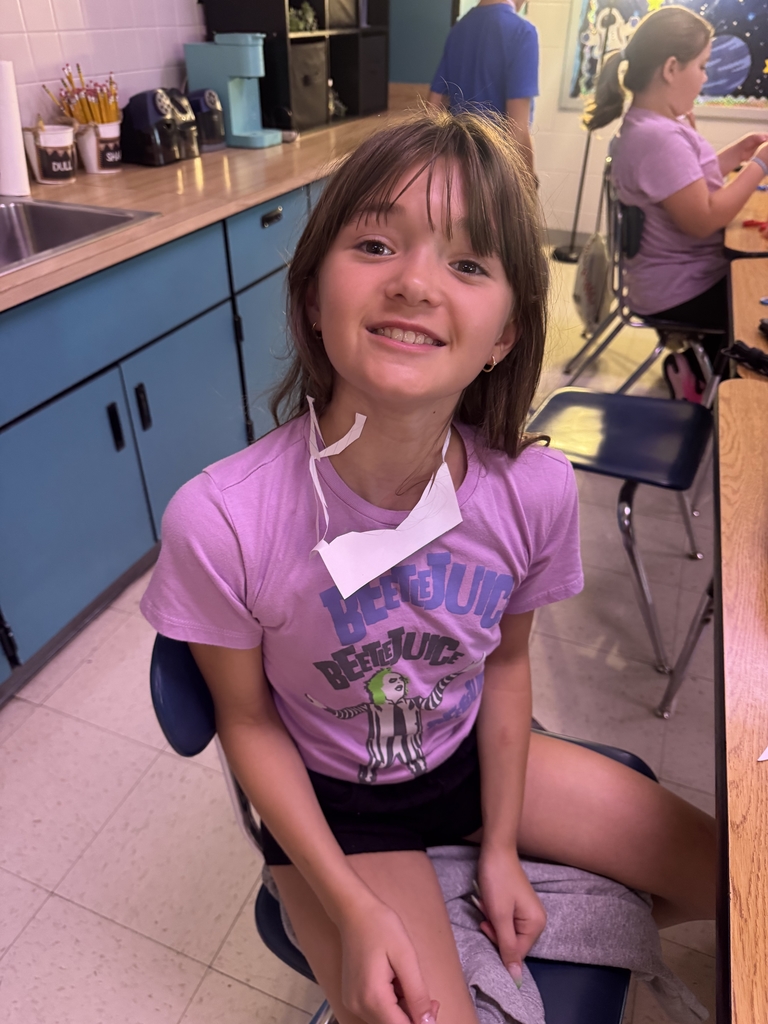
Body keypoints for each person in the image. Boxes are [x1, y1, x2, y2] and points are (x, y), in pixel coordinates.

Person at [141, 110, 715, 1024]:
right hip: (338, 807)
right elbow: (245, 723)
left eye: (469, 263)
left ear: (505, 336)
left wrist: (496, 850)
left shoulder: (531, 488)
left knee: (730, 875)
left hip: (466, 760)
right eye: (375, 242)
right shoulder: (222, 520)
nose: (414, 282)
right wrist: (353, 905)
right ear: (313, 293)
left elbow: (507, 662)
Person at [585, 5, 768, 393]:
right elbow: (703, 218)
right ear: (671, 69)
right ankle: (701, 374)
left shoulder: (651, 127)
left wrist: (738, 153)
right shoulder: (659, 139)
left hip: (667, 282)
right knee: (754, 302)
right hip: (679, 291)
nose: (704, 79)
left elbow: (684, 184)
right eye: (701, 67)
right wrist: (759, 166)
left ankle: (692, 362)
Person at [428, 0, 538, 176]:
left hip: (457, 166)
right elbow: (517, 129)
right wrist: (530, 182)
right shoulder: (522, 32)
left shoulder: (459, 29)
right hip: (494, 172)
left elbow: (433, 106)